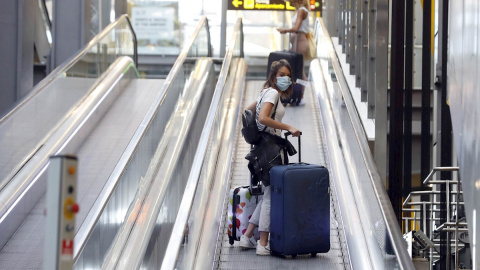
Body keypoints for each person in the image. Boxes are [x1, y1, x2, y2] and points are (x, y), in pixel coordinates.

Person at [239, 59, 301, 255]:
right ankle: (263, 242)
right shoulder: (273, 93)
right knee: (271, 197)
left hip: (262, 149)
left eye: (288, 76)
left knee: (269, 194)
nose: (285, 79)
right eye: (281, 75)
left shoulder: (265, 92)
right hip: (270, 150)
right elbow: (262, 118)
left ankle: (248, 236)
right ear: (274, 77)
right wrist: (287, 127)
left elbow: (249, 111)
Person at [276, 0, 311, 106]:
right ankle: (294, 94)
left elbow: (296, 28)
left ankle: (300, 95)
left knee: (299, 69)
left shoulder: (302, 11)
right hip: (296, 43)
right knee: (294, 69)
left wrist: (285, 30)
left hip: (300, 43)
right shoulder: (299, 11)